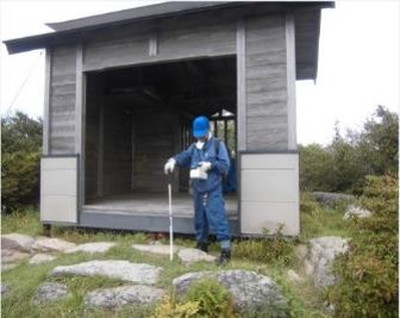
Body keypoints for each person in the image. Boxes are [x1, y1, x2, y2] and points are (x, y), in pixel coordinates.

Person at [164, 115, 231, 265]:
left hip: (213, 189)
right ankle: (202, 245)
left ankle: (225, 251)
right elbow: (184, 156)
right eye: (197, 135)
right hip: (198, 189)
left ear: (209, 130)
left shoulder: (218, 145)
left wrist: (211, 165)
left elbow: (225, 166)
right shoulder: (194, 147)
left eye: (202, 134)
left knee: (218, 218)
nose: (200, 137)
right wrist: (173, 160)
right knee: (200, 219)